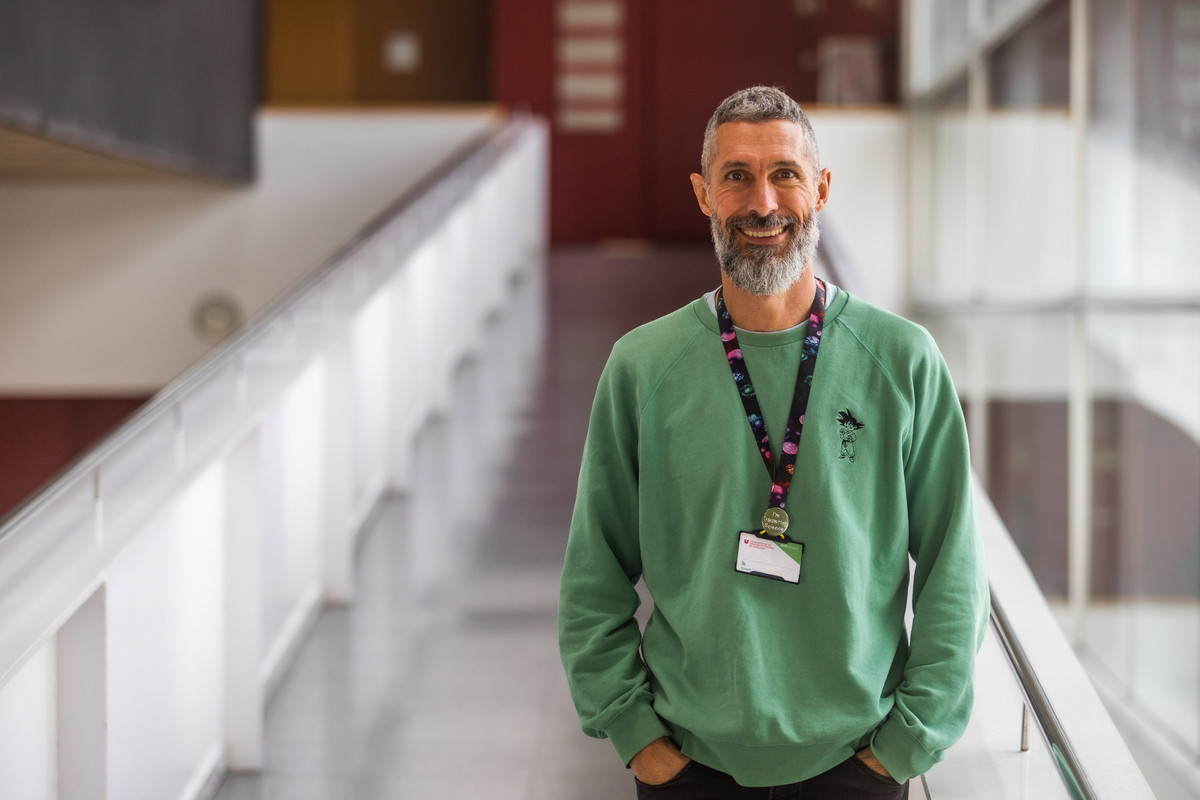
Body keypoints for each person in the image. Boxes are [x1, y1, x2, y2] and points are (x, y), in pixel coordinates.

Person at [557, 86, 988, 799]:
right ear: (703, 194)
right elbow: (591, 573)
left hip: (857, 764)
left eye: (784, 173)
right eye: (736, 176)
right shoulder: (643, 367)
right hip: (688, 766)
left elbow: (958, 569)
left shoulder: (902, 360)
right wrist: (636, 736)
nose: (763, 202)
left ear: (820, 189)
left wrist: (909, 742)